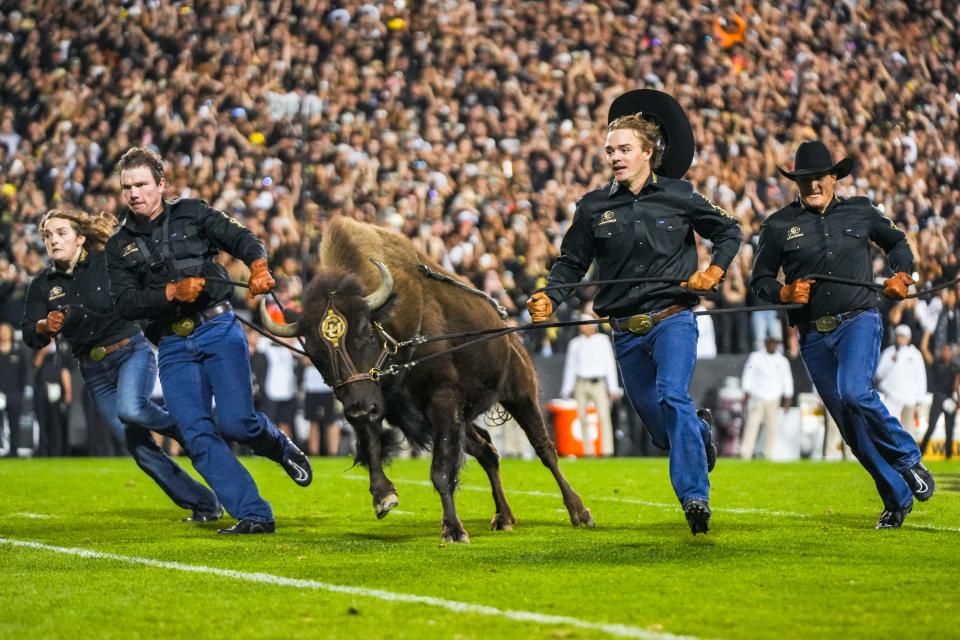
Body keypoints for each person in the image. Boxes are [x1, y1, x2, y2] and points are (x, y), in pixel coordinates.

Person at [527, 90, 742, 535]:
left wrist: (714, 270)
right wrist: (551, 296)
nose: (615, 157)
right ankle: (698, 434)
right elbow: (570, 263)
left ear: (649, 152)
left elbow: (729, 230)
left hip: (673, 319)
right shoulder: (592, 207)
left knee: (673, 395)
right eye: (610, 150)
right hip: (625, 331)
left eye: (624, 149)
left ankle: (694, 498)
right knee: (664, 430)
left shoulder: (680, 196)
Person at [105, 147, 312, 535]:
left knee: (238, 422)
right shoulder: (118, 245)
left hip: (217, 328)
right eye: (127, 187)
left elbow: (242, 237)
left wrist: (259, 267)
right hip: (171, 343)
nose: (134, 193)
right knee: (196, 434)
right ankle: (254, 513)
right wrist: (170, 294)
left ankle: (280, 447)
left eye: (142, 185)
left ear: (161, 184)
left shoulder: (193, 212)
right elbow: (124, 303)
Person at [750, 140, 934, 529]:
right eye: (804, 180)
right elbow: (760, 281)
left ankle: (907, 457)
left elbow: (897, 242)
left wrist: (903, 274)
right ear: (795, 183)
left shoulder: (861, 210)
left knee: (855, 392)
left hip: (859, 319)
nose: (813, 185)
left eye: (819, 177)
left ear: (834, 177)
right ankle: (897, 498)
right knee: (851, 429)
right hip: (813, 335)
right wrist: (783, 292)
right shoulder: (778, 225)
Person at [20, 208, 223, 520]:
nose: (53, 240)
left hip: (130, 351)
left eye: (61, 233)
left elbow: (113, 303)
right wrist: (43, 327)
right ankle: (204, 504)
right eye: (48, 235)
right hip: (92, 369)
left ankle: (186, 430)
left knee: (131, 409)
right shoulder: (42, 285)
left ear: (80, 238)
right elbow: (29, 333)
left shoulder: (105, 261)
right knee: (140, 450)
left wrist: (70, 316)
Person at [559, 313, 621, 456]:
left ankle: (607, 450)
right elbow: (570, 366)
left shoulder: (603, 340)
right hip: (581, 383)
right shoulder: (575, 343)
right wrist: (566, 389)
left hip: (598, 383)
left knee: (604, 416)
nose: (584, 327)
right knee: (581, 417)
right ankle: (588, 450)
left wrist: (613, 387)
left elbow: (610, 364)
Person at [740, 335, 794, 460]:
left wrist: (787, 397)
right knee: (752, 425)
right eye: (770, 342)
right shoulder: (756, 357)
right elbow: (748, 374)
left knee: (772, 427)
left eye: (775, 343)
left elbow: (787, 379)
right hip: (757, 395)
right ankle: (745, 453)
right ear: (766, 343)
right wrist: (746, 392)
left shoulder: (782, 360)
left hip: (773, 397)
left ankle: (768, 454)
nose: (772, 345)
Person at [876, 324, 927, 430]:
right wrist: (891, 363)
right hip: (890, 398)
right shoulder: (889, 352)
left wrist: (919, 401)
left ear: (909, 337)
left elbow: (921, 378)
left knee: (908, 431)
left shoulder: (915, 354)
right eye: (898, 335)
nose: (901, 339)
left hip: (909, 400)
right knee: (889, 428)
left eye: (903, 336)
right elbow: (878, 375)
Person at [919, 344, 959, 460]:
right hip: (938, 397)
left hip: (950, 398)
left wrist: (958, 400)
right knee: (931, 427)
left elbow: (956, 384)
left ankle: (949, 455)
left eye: (949, 351)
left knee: (949, 429)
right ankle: (921, 452)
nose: (947, 353)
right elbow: (925, 352)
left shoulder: (955, 366)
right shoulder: (937, 363)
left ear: (952, 353)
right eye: (945, 350)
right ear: (942, 352)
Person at [0, 322, 29, 457]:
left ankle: (14, 450)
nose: (3, 333)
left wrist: (19, 392)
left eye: (5, 330)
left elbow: (24, 373)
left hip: (13, 393)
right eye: (1, 330)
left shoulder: (18, 351)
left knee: (14, 423)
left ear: (11, 333)